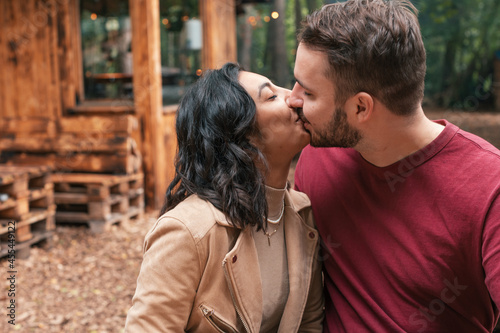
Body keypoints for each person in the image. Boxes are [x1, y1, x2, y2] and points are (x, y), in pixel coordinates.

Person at [288, 0, 500, 332]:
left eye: (309, 92)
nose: (292, 98)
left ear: (361, 107)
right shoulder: (320, 152)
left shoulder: (490, 186)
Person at [125, 62, 324, 332]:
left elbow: (309, 324)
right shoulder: (188, 232)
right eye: (271, 96)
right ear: (241, 137)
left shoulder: (303, 215)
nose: (294, 96)